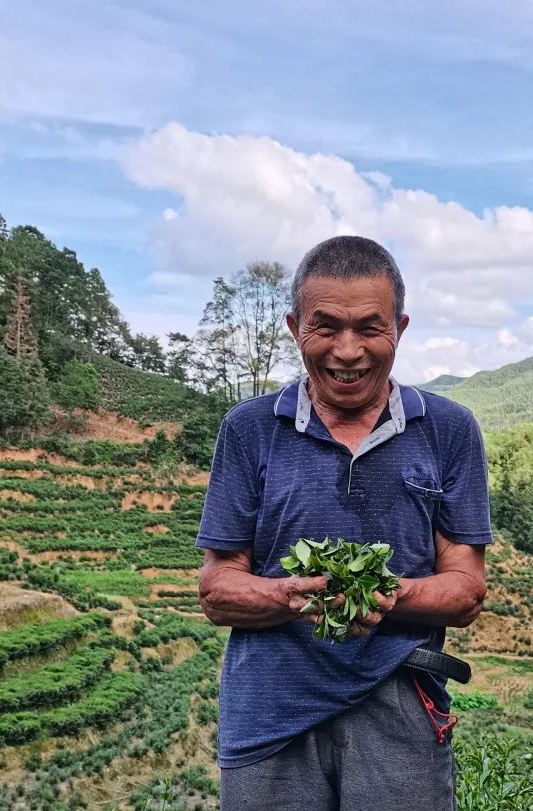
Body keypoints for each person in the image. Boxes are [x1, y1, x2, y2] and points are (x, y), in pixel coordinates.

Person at [196, 235, 491, 811]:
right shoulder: (249, 428)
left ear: (399, 329)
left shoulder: (449, 430)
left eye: (370, 328)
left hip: (401, 701)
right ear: (294, 326)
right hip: (268, 710)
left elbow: (466, 590)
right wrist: (293, 594)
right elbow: (217, 590)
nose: (348, 351)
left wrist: (385, 594)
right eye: (325, 327)